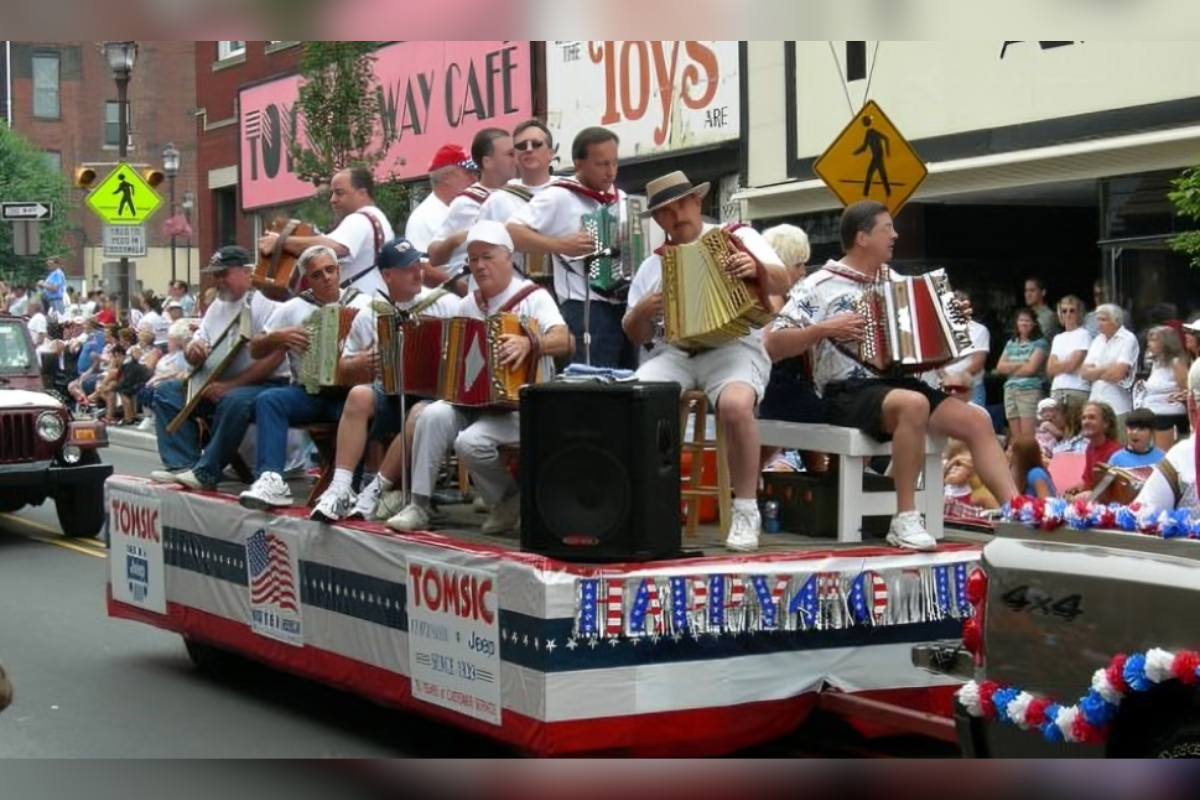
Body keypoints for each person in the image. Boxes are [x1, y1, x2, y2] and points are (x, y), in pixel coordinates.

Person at [773, 200, 1016, 551]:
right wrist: (824, 328)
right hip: (846, 391)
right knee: (913, 404)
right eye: (887, 228)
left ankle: (1017, 509)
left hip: (899, 385)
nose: (895, 235)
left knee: (976, 420)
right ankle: (904, 518)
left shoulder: (898, 282)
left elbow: (931, 343)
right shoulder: (818, 286)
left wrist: (952, 320)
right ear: (862, 237)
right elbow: (774, 344)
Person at [624, 171, 790, 553]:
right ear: (659, 220)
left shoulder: (739, 236)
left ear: (697, 202)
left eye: (681, 204)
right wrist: (642, 313)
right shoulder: (653, 266)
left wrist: (757, 270)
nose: (676, 215)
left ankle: (746, 508)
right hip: (676, 353)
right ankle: (642, 504)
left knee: (735, 404)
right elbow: (635, 335)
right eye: (665, 211)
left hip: (734, 346)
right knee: (634, 400)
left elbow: (783, 283)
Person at [385, 221, 570, 535]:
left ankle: (507, 497)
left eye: (487, 256)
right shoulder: (469, 304)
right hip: (478, 404)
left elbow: (566, 340)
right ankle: (419, 503)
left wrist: (530, 343)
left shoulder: (533, 297)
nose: (479, 266)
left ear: (508, 256)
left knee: (469, 442)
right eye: (472, 260)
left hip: (523, 405)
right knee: (431, 414)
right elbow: (457, 356)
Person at [308, 238, 459, 523]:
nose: (417, 273)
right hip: (391, 391)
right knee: (359, 395)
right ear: (387, 275)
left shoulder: (445, 303)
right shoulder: (371, 313)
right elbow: (341, 366)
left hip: (434, 395)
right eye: (407, 268)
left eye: (418, 265)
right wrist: (361, 363)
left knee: (417, 415)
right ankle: (341, 487)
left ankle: (375, 489)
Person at [238, 246, 378, 510]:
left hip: (350, 395)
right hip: (309, 392)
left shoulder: (364, 304)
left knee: (361, 409)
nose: (325, 277)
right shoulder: (293, 308)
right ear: (307, 281)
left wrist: (357, 363)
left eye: (330, 270)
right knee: (269, 400)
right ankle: (271, 479)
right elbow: (255, 349)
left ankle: (347, 488)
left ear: (339, 271)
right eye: (316, 274)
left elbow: (379, 355)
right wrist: (278, 337)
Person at [150, 246, 289, 490]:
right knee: (166, 392)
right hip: (219, 383)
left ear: (247, 272)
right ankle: (183, 465)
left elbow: (274, 359)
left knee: (233, 400)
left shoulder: (265, 303)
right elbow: (200, 343)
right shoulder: (217, 306)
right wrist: (193, 350)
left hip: (266, 384)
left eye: (224, 273)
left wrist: (230, 386)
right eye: (215, 275)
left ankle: (207, 472)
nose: (218, 280)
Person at [507, 126, 629, 368]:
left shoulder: (621, 197)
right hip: (584, 307)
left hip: (624, 306)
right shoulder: (558, 196)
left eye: (615, 163)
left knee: (624, 385)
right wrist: (559, 245)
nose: (611, 172)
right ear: (579, 164)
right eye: (602, 164)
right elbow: (511, 232)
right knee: (589, 383)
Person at [256, 167, 394, 298]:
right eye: (332, 193)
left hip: (362, 305)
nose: (332, 200)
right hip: (374, 300)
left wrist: (280, 242)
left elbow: (334, 248)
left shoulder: (359, 219)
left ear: (362, 194)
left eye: (339, 193)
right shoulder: (377, 218)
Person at [758, 224, 827, 473]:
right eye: (798, 264)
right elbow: (771, 341)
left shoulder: (773, 297)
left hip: (780, 392)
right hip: (780, 392)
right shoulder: (774, 299)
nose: (803, 271)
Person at [428, 128, 517, 290]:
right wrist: (457, 239)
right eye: (509, 154)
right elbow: (434, 256)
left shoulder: (519, 194)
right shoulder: (467, 202)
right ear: (488, 162)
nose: (516, 159)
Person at [477, 119, 557, 278]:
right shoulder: (497, 201)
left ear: (550, 153)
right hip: (516, 293)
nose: (528, 150)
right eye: (521, 146)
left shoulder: (571, 192)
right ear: (515, 156)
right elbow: (479, 252)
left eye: (536, 144)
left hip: (569, 296)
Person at [1135, 361, 1200, 511]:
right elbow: (1142, 517)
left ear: (1191, 407)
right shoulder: (1182, 457)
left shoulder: (1182, 456)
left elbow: (1142, 518)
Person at [405, 145, 478, 255]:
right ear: (447, 178)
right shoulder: (422, 219)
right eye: (468, 173)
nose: (475, 178)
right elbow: (422, 266)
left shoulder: (473, 206)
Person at [1081, 303, 1139, 436]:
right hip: (1095, 404)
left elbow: (1118, 374)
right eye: (1098, 320)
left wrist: (1095, 372)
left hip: (1117, 406)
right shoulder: (1097, 340)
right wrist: (1108, 367)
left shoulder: (1128, 339)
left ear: (1115, 321)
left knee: (1118, 449)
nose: (1099, 324)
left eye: (1103, 320)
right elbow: (1084, 373)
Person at [995, 307, 1049, 440]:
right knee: (1015, 437)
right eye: (1021, 320)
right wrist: (1021, 363)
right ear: (1016, 323)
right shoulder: (1011, 343)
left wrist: (1011, 368)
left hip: (1029, 391)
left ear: (1034, 324)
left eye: (1028, 321)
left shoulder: (1040, 343)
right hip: (1010, 391)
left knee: (1028, 437)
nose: (1024, 323)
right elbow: (1000, 367)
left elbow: (1030, 369)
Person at [1138, 325, 1190, 451]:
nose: (1150, 344)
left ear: (1166, 342)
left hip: (1168, 416)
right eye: (1149, 340)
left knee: (1163, 456)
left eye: (1155, 340)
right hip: (1152, 414)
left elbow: (1186, 389)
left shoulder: (1176, 362)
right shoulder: (1156, 363)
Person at [936, 290, 991, 407]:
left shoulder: (980, 330)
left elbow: (978, 362)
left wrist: (955, 380)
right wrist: (947, 380)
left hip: (971, 388)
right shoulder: (940, 331)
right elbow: (936, 361)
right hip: (945, 388)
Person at [1062, 401, 1122, 499]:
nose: (1086, 422)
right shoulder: (1089, 448)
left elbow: (1110, 490)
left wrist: (1090, 494)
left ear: (1106, 424)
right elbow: (1087, 480)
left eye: (1092, 417)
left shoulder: (1116, 452)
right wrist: (1076, 488)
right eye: (1083, 418)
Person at [1046, 294, 1093, 406]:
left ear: (1079, 313)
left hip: (1077, 390)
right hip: (1057, 390)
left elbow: (1072, 365)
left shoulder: (1084, 335)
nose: (1068, 314)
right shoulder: (1058, 338)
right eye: (1064, 311)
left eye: (1072, 311)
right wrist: (1064, 365)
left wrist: (1059, 365)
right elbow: (1050, 369)